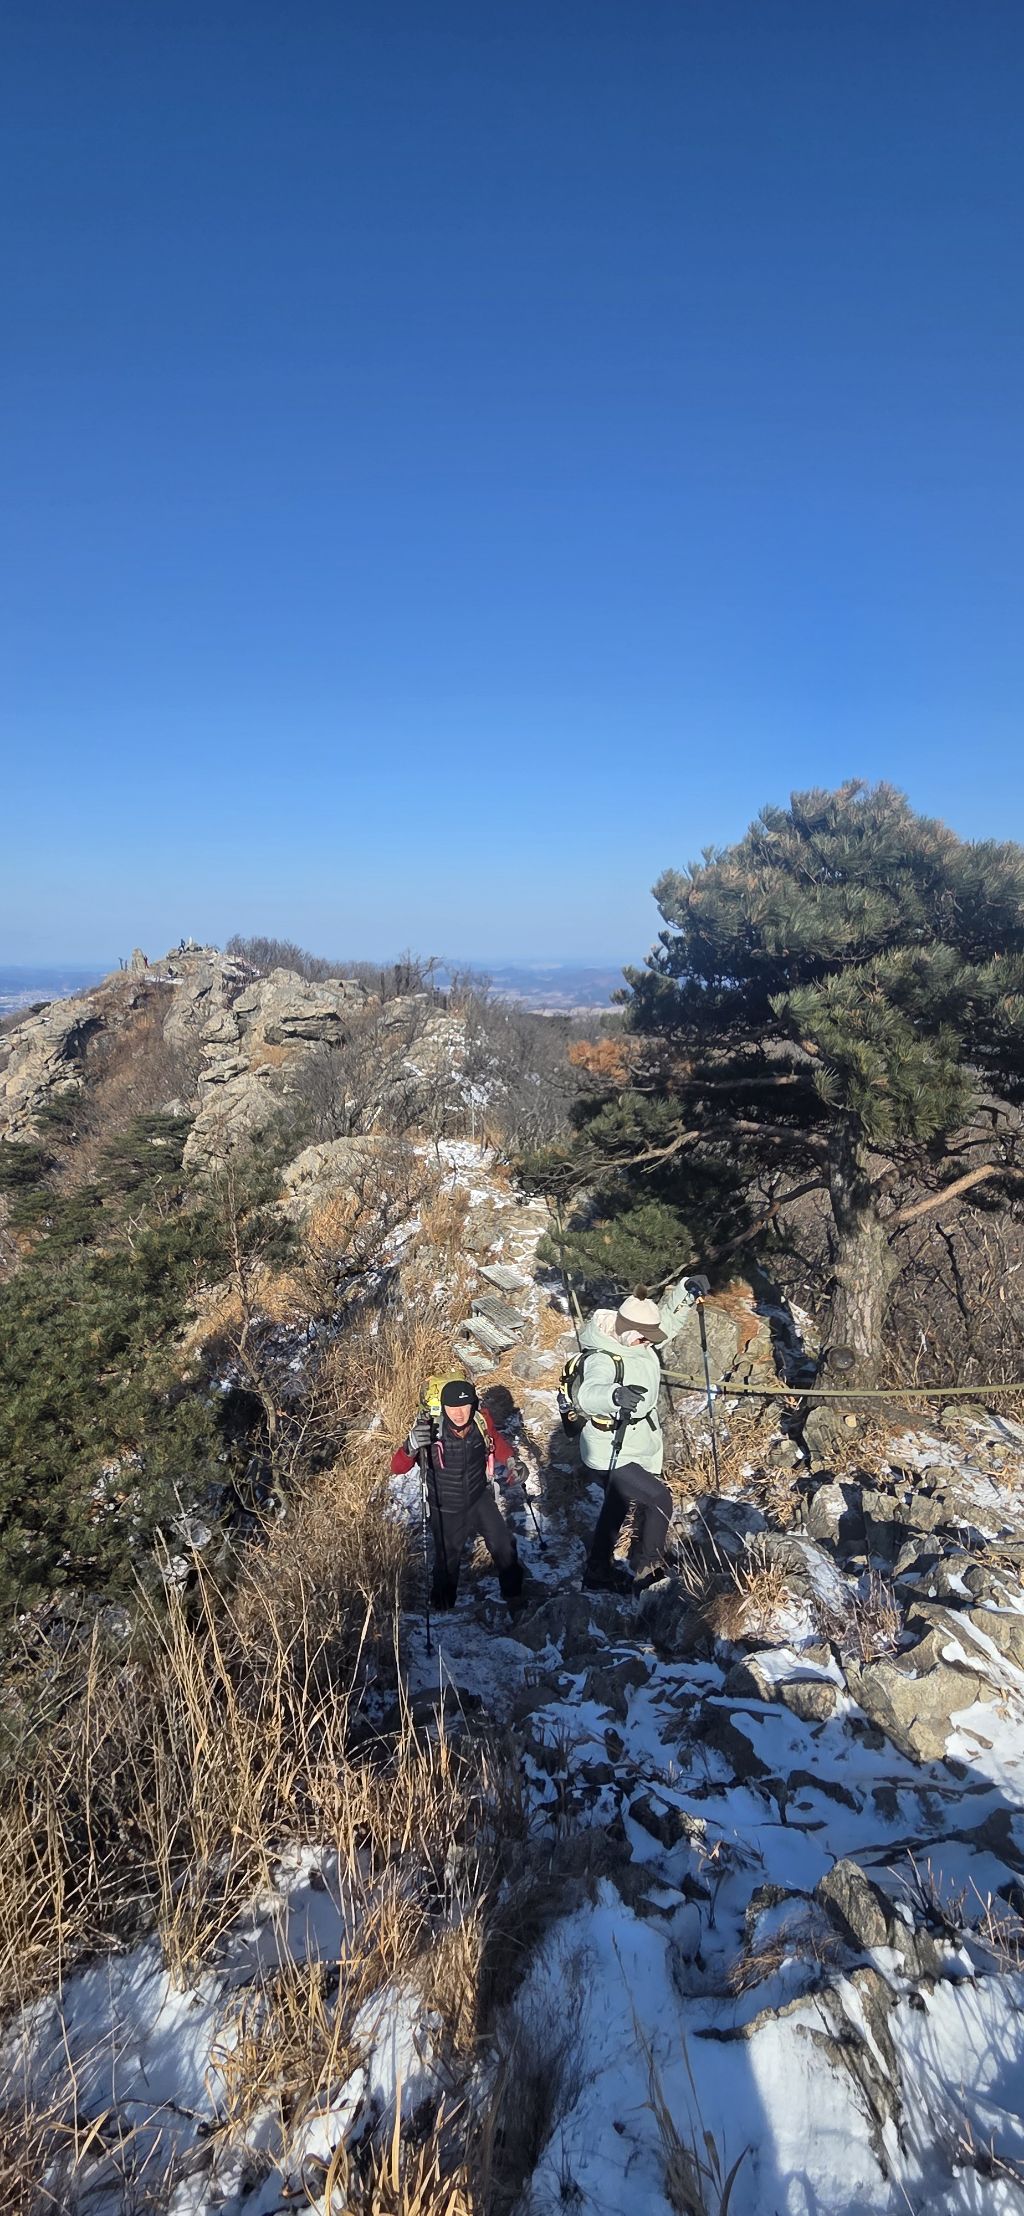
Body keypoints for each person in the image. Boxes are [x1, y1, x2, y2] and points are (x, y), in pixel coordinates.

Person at [391, 1378, 525, 1615]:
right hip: (445, 1505)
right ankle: (443, 1605)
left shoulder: (481, 1421)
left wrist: (512, 1462)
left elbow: (496, 1443)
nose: (459, 1414)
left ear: (473, 1405)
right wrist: (409, 1446)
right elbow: (397, 1468)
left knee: (504, 1544)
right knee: (447, 1559)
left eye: (464, 1406)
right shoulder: (429, 1431)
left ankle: (514, 1596)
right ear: (443, 1408)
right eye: (452, 1408)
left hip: (478, 1497)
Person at [574, 1290, 673, 1594]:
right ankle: (648, 1571)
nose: (648, 1343)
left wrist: (684, 1292)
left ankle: (597, 1571)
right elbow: (588, 1394)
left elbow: (666, 1325)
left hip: (629, 1442)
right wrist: (614, 1395)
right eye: (643, 1338)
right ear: (628, 1331)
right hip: (609, 1448)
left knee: (616, 1503)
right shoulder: (602, 1357)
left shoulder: (635, 1341)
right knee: (659, 1498)